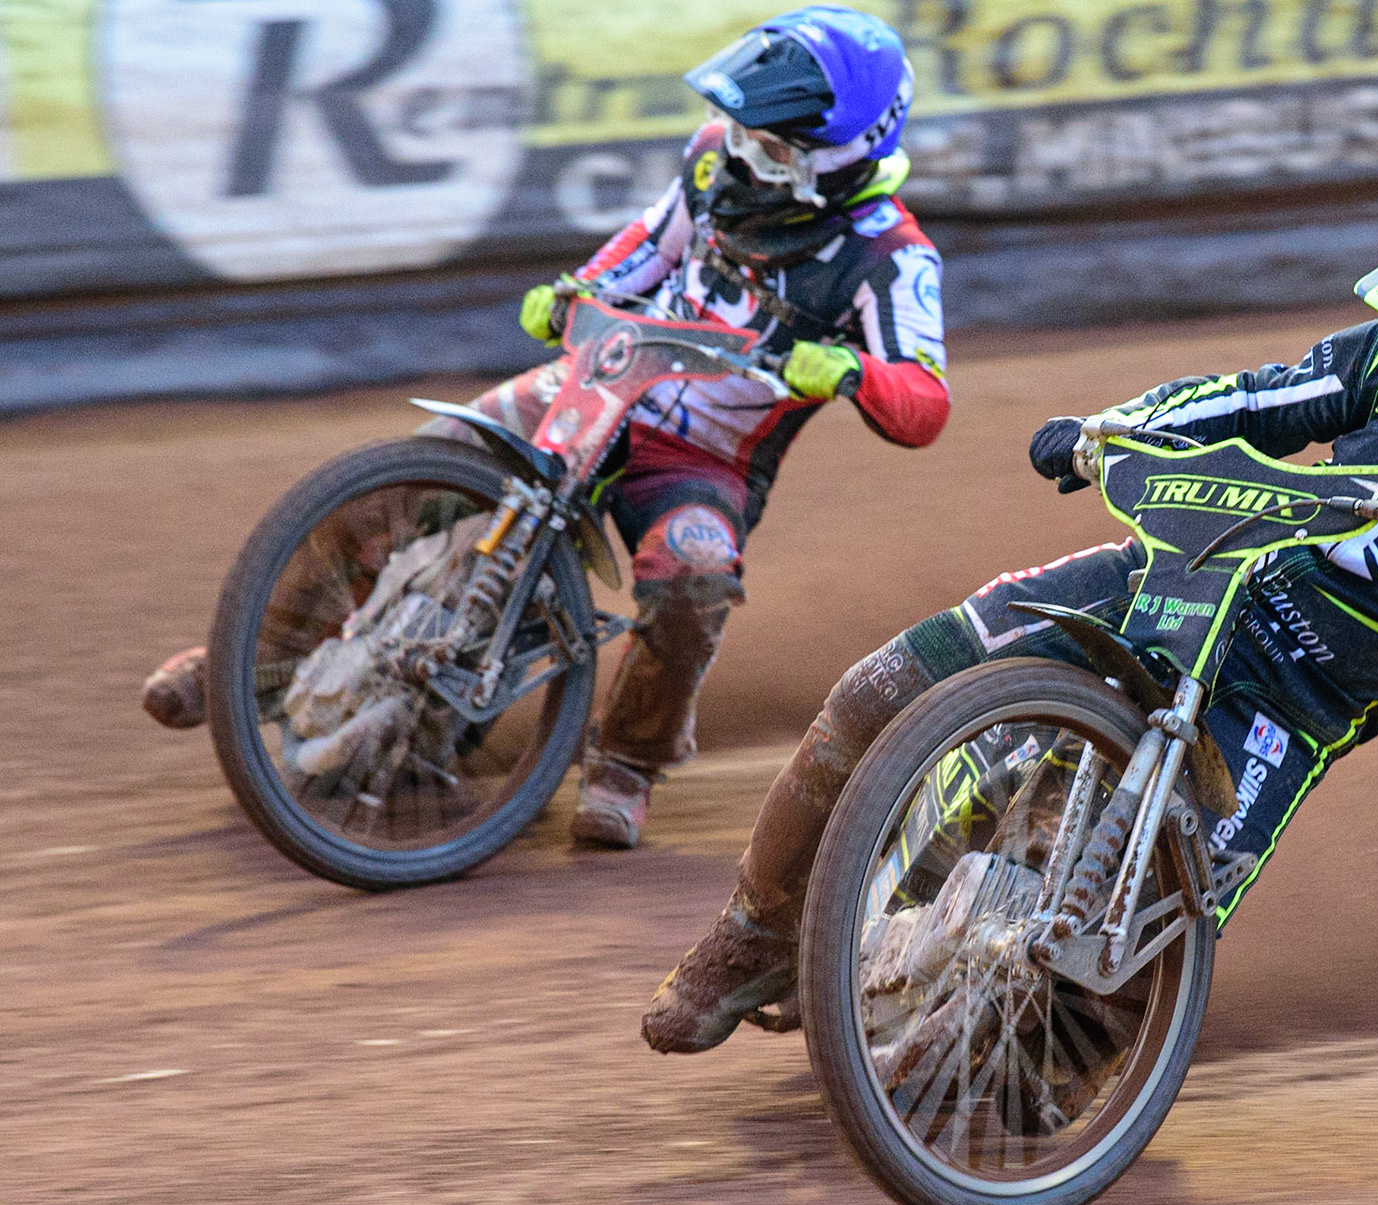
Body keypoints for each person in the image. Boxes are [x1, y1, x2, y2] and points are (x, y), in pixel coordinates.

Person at [641, 179, 1378, 1053]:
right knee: (881, 687)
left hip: (1293, 700)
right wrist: (1111, 428)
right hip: (1189, 570)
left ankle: (1022, 1111)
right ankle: (754, 932)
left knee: (1115, 988)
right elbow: (1261, 398)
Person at [141, 6, 950, 848]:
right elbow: (645, 248)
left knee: (695, 572)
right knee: (418, 474)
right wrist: (574, 292)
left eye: (772, 147)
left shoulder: (892, 259)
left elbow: (925, 402)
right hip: (595, 384)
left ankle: (628, 763)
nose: (743, 151)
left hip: (699, 457)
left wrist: (854, 371)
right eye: (739, 129)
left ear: (840, 157)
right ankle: (250, 660)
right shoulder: (714, 164)